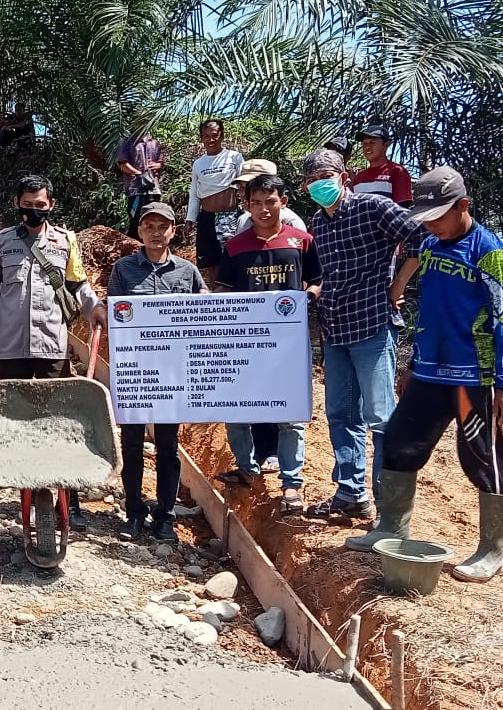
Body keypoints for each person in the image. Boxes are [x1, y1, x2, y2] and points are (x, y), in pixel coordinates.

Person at [344, 167, 503, 583]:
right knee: (399, 442)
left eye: (438, 214)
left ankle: (492, 548)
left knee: (482, 457)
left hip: (476, 377)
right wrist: (412, 364)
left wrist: (502, 382)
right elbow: (427, 310)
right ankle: (391, 527)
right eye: (425, 216)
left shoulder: (489, 252)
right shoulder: (430, 246)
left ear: (463, 206)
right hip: (431, 371)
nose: (430, 223)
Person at [0, 174, 105, 531]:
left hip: (52, 345)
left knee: (57, 419)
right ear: (17, 203)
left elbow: (79, 284)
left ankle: (67, 495)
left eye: (40, 206)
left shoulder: (65, 243)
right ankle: (25, 482)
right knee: (16, 416)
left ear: (51, 205)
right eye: (27, 205)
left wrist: (94, 307)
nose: (34, 212)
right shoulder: (2, 243)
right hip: (11, 346)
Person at [300, 148, 423, 521]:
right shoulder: (317, 224)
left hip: (372, 324)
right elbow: (325, 273)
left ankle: (389, 508)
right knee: (341, 413)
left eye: (326, 175)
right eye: (311, 179)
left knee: (381, 416)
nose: (319, 184)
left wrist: (399, 283)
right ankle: (351, 494)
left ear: (343, 176)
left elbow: (420, 235)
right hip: (335, 329)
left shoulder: (372, 207)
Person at [213, 174, 323, 515]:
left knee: (290, 418)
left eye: (270, 202)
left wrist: (308, 297)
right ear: (247, 206)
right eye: (256, 203)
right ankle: (247, 469)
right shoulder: (234, 246)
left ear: (283, 203)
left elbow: (317, 279)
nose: (263, 209)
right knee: (235, 413)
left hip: (288, 345)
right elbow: (222, 291)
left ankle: (292, 484)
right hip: (243, 345)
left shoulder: (301, 241)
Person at [104, 202, 208, 542]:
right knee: (131, 443)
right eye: (149, 225)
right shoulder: (123, 269)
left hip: (173, 376)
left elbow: (203, 313)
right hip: (136, 372)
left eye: (163, 226)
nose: (155, 232)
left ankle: (165, 516)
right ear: (140, 231)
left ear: (173, 231)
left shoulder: (187, 272)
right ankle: (133, 512)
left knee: (167, 445)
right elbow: (116, 315)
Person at [183, 119, 244, 286]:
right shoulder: (198, 164)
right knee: (210, 262)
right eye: (206, 136)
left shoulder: (234, 157)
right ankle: (216, 294)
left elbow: (244, 185)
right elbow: (194, 194)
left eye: (214, 135)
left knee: (232, 258)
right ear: (201, 139)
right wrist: (190, 220)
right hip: (207, 218)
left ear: (222, 136)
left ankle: (237, 293)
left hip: (229, 217)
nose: (211, 140)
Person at [116, 132, 164, 241]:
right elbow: (123, 164)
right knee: (136, 221)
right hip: (136, 190)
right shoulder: (128, 142)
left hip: (153, 189)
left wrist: (157, 165)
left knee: (153, 220)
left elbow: (160, 162)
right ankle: (134, 250)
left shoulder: (155, 142)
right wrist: (139, 173)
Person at [352, 124, 413, 206]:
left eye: (372, 142)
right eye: (364, 143)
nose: (367, 147)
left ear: (386, 145)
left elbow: (403, 208)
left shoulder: (397, 171)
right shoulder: (359, 177)